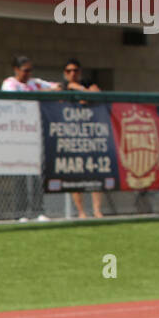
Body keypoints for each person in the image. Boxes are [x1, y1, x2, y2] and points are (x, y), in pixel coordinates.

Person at [1, 54, 57, 221]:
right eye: (25, 70)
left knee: (37, 173)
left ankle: (39, 211)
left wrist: (47, 89)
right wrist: (41, 92)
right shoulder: (10, 83)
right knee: (20, 173)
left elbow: (56, 87)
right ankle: (21, 213)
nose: (28, 74)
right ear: (16, 69)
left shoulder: (35, 83)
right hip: (17, 134)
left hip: (35, 132)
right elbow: (16, 100)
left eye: (30, 70)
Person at [57, 58, 104, 219]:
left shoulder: (87, 83)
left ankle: (97, 210)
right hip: (71, 135)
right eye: (69, 71)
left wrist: (78, 88)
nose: (72, 73)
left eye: (75, 70)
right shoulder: (61, 87)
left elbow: (97, 94)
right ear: (64, 73)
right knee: (74, 175)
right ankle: (81, 212)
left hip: (90, 134)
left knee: (96, 172)